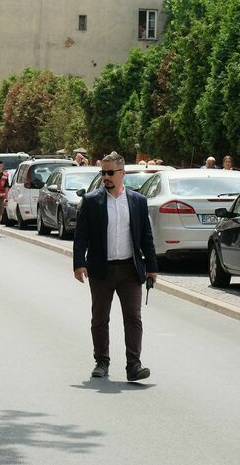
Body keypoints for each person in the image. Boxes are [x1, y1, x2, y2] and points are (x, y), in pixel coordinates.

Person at [73, 152, 158, 382]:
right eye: (103, 172)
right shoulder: (92, 201)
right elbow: (81, 236)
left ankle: (134, 365)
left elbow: (146, 237)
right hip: (101, 269)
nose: (106, 177)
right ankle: (102, 361)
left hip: (130, 269)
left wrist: (151, 267)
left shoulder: (137, 201)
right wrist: (79, 263)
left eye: (110, 173)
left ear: (122, 173)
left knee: (133, 318)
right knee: (100, 318)